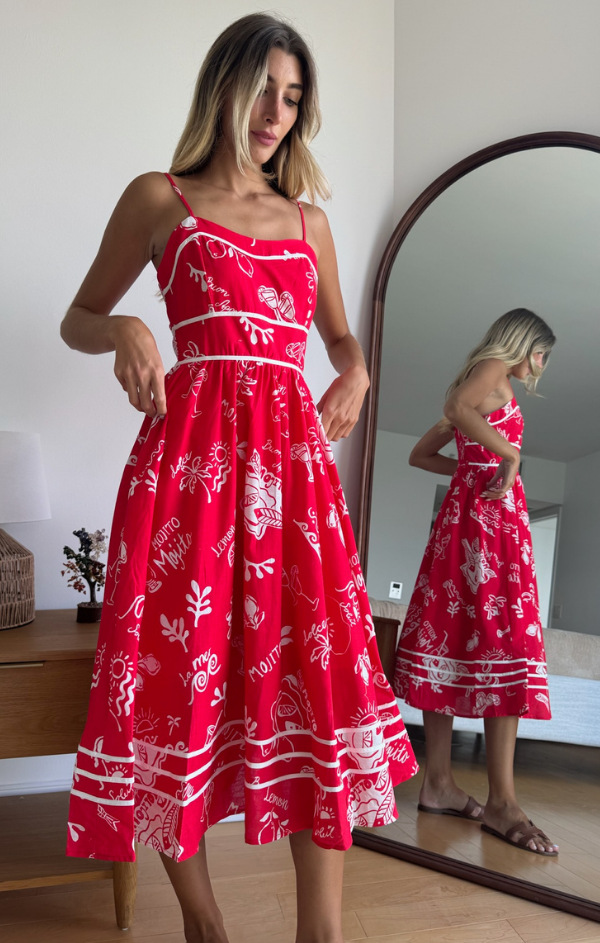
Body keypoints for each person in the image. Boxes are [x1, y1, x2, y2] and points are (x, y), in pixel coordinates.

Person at [61, 13, 417, 943]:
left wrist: (357, 371)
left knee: (318, 678)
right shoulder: (160, 198)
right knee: (173, 683)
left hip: (293, 482)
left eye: (292, 98)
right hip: (186, 476)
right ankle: (205, 923)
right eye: (263, 89)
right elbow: (77, 316)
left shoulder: (308, 222)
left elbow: (339, 336)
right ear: (223, 84)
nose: (275, 113)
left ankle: (319, 933)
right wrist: (124, 328)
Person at [393, 309, 559, 858]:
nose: (541, 365)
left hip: (472, 526)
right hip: (486, 531)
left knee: (455, 636)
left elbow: (422, 455)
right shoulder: (493, 370)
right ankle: (501, 803)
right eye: (542, 353)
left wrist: (474, 468)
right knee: (503, 640)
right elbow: (454, 411)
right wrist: (508, 455)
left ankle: (439, 784)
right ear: (524, 344)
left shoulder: (480, 385)